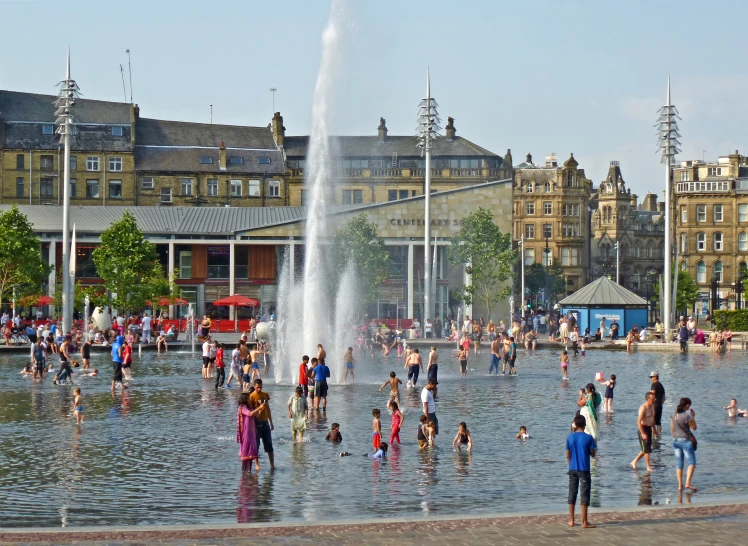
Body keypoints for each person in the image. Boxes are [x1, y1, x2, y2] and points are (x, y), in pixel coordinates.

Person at [566, 414, 597, 528]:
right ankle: (584, 521)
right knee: (584, 495)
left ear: (575, 424)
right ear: (585, 424)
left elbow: (568, 454)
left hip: (572, 468)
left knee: (572, 493)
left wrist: (571, 464)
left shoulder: (570, 437)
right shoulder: (588, 438)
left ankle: (571, 520)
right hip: (584, 469)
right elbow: (593, 454)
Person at [671, 397, 698, 492]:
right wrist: (693, 416)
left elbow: (672, 429)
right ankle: (688, 483)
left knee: (679, 463)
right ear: (687, 405)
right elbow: (694, 427)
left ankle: (680, 485)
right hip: (685, 441)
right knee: (691, 462)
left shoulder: (674, 415)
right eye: (689, 405)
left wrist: (674, 437)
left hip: (675, 441)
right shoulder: (687, 416)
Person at [249, 379, 275, 470]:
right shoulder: (251, 396)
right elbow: (250, 412)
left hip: (265, 422)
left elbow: (268, 408)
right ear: (254, 386)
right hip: (256, 423)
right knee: (256, 445)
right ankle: (257, 465)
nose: (259, 389)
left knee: (269, 444)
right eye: (257, 387)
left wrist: (271, 422)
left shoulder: (265, 395)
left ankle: (272, 465)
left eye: (260, 387)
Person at [237, 392, 263, 473]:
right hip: (246, 432)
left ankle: (249, 471)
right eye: (248, 399)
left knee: (252, 450)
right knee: (247, 450)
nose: (249, 400)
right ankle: (246, 471)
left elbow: (255, 416)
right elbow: (250, 414)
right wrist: (258, 408)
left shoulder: (249, 407)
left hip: (252, 432)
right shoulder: (242, 407)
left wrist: (260, 409)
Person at [631, 392, 656, 471]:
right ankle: (648, 467)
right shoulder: (643, 407)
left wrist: (654, 430)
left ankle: (634, 461)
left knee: (646, 448)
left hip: (649, 428)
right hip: (643, 428)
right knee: (647, 449)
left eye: (655, 398)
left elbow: (653, 419)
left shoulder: (652, 406)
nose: (654, 400)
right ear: (648, 399)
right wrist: (642, 433)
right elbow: (638, 421)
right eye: (653, 399)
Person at [649, 371, 666, 439]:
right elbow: (664, 398)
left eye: (651, 377)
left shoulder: (654, 385)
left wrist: (651, 404)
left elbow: (652, 395)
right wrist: (660, 403)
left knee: (652, 421)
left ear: (655, 377)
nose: (650, 379)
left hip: (654, 405)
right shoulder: (661, 385)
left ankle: (653, 436)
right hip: (659, 405)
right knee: (658, 422)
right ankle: (658, 436)